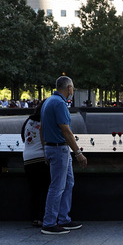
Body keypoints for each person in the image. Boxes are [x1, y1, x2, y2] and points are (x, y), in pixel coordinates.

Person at [40, 76, 87, 235]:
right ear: (68, 88)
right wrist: (78, 153)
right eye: (72, 88)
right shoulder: (59, 103)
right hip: (60, 150)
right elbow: (66, 131)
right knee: (57, 187)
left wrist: (44, 148)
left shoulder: (48, 101)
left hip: (54, 148)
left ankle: (64, 219)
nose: (73, 91)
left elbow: (41, 129)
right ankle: (49, 223)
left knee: (68, 183)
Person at [21, 100, 48, 228]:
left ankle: (35, 217)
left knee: (34, 190)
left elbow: (23, 137)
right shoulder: (46, 120)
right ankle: (45, 217)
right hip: (41, 158)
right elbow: (46, 139)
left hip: (27, 159)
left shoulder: (29, 121)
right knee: (45, 189)